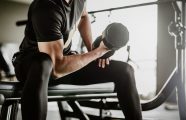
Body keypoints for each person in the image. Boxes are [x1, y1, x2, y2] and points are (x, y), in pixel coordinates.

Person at [12, 0, 142, 120]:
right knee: (44, 63)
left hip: (63, 65)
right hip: (32, 67)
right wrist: (97, 52)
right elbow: (56, 68)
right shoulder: (46, 7)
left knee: (125, 71)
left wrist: (92, 50)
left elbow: (84, 16)